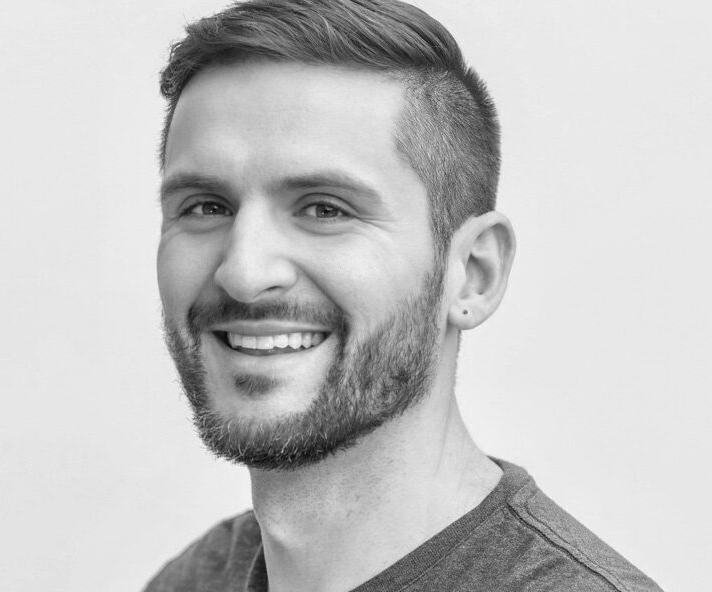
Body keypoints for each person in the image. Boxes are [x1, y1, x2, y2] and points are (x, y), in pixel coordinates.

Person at [147, 0, 662, 590]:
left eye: (325, 209)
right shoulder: (196, 579)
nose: (243, 271)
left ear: (473, 273)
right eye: (205, 207)